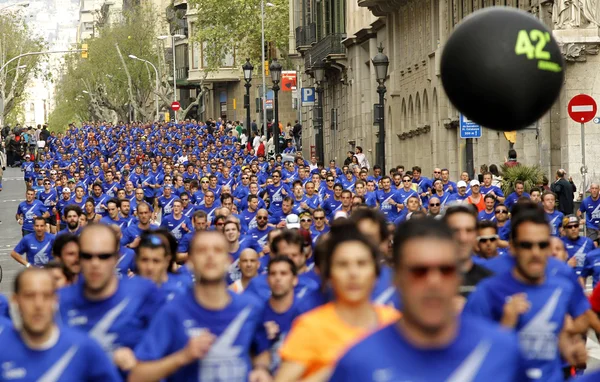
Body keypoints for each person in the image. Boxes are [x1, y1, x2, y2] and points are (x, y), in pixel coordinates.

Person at [329, 218, 527, 381]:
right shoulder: (357, 363)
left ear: (459, 276)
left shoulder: (503, 351)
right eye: (419, 271)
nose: (434, 282)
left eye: (446, 270)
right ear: (396, 278)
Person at [464, 204, 590, 381]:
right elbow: (467, 352)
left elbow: (583, 317)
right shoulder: (488, 287)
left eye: (542, 245)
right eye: (526, 245)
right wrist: (506, 325)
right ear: (513, 247)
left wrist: (570, 336)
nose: (535, 253)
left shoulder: (562, 283)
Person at [129, 230, 272, 382]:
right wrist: (183, 357)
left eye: (217, 250)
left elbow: (262, 351)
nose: (210, 256)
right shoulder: (172, 312)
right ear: (190, 262)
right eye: (202, 250)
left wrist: (261, 369)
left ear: (228, 260)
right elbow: (137, 375)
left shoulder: (251, 307)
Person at [276, 221, 400, 382]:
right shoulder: (310, 327)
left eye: (361, 264)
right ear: (329, 275)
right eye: (342, 265)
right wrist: (339, 368)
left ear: (375, 273)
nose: (353, 273)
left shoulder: (395, 323)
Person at [57, 224, 163, 370]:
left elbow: (165, 352)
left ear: (116, 258)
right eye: (87, 256)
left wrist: (139, 364)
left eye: (103, 256)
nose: (95, 263)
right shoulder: (59, 301)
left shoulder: (143, 292)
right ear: (78, 258)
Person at [0, 268, 121, 381]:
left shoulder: (84, 348)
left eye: (46, 296)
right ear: (15, 300)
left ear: (55, 300)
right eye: (29, 296)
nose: (38, 305)